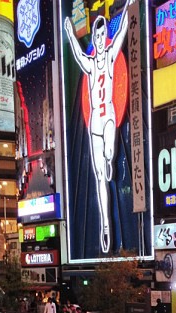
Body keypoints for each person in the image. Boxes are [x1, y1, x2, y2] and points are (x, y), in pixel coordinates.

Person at [63, 0, 133, 254]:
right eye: (98, 35)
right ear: (95, 37)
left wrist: (128, 8)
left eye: (104, 35)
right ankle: (105, 224)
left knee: (109, 156)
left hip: (110, 117)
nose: (102, 39)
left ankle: (108, 157)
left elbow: (123, 29)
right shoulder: (91, 65)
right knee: (100, 178)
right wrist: (71, 32)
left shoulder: (112, 55)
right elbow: (79, 55)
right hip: (94, 122)